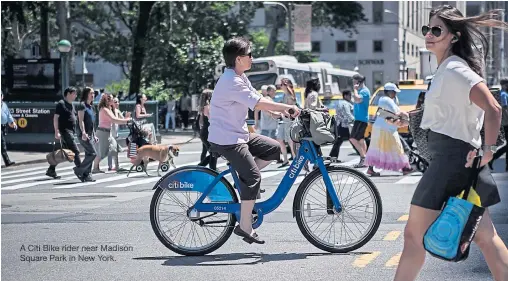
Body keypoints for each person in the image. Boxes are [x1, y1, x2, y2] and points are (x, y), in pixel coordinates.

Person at [393, 6, 508, 281]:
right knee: (485, 237)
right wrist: (408, 118)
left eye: (437, 30)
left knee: (413, 236)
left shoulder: (455, 69)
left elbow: (493, 109)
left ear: (454, 37)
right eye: (427, 29)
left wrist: (489, 152)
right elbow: (448, 116)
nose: (429, 35)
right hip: (458, 160)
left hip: (450, 162)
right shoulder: (447, 69)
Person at [208, 37, 299, 244]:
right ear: (239, 59)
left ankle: (245, 183)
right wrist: (287, 108)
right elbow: (257, 102)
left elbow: (258, 99)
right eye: (250, 55)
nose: (252, 58)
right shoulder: (231, 81)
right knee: (253, 176)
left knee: (274, 149)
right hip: (227, 139)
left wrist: (278, 114)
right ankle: (245, 226)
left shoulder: (240, 77)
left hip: (239, 134)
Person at [364, 83, 413, 176]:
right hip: (386, 128)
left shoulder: (384, 99)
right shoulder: (387, 100)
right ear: (390, 92)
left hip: (381, 127)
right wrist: (407, 115)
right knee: (397, 146)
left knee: (377, 148)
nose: (395, 94)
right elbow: (397, 112)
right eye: (394, 92)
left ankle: (370, 169)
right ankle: (405, 168)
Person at [46, 87, 82, 179]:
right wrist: (56, 131)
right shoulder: (61, 104)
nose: (76, 95)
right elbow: (55, 118)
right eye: (74, 93)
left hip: (70, 132)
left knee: (62, 153)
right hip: (65, 132)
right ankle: (82, 172)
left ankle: (51, 170)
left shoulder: (72, 105)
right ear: (68, 94)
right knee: (76, 151)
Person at [92, 93, 131, 173]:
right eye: (112, 99)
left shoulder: (108, 108)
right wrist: (127, 121)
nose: (113, 100)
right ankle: (95, 168)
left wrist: (126, 119)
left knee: (115, 148)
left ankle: (117, 167)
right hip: (102, 132)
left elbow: (116, 119)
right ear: (108, 100)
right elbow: (114, 120)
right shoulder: (104, 109)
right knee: (101, 152)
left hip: (107, 132)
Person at [74, 87, 98, 182]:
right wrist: (83, 132)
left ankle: (87, 175)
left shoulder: (91, 107)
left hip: (90, 134)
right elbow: (81, 121)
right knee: (93, 153)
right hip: (83, 134)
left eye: (93, 93)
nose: (93, 95)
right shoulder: (82, 105)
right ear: (86, 94)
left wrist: (94, 135)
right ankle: (79, 170)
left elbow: (92, 123)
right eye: (91, 93)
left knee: (89, 153)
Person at [349, 73, 371, 168]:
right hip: (359, 119)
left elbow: (357, 99)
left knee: (353, 139)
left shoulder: (364, 91)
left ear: (358, 82)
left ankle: (363, 157)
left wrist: (355, 89)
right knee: (361, 140)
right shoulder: (361, 90)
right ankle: (365, 161)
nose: (353, 84)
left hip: (361, 119)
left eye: (354, 82)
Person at [329, 90, 354, 161]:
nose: (350, 97)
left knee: (339, 141)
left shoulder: (339, 102)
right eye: (350, 95)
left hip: (340, 125)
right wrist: (354, 120)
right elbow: (348, 114)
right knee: (353, 139)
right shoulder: (346, 104)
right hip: (344, 125)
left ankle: (333, 157)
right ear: (345, 96)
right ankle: (363, 155)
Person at [489, 77, 508, 171]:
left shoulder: (500, 93)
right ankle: (493, 157)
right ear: (504, 85)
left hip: (502, 122)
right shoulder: (504, 94)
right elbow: (505, 108)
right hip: (506, 123)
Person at [197, 89, 217, 171]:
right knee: (214, 152)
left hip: (204, 132)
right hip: (208, 132)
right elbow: (212, 120)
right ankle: (203, 167)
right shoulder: (208, 107)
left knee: (213, 152)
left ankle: (206, 168)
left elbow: (201, 122)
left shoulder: (202, 107)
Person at [1, 91, 17, 167]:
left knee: (2, 145)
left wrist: (12, 123)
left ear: (2, 96)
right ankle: (7, 162)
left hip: (3, 127)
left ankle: (7, 161)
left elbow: (8, 115)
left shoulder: (4, 105)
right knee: (2, 144)